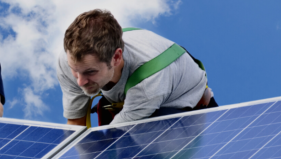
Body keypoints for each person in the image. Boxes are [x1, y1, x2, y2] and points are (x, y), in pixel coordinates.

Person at [58, 9, 216, 127]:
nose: (80, 81)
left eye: (90, 72)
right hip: (132, 97)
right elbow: (75, 123)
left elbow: (114, 140)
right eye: (75, 70)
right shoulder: (69, 60)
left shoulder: (148, 82)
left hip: (180, 105)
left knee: (146, 145)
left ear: (116, 57)